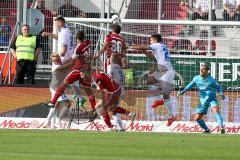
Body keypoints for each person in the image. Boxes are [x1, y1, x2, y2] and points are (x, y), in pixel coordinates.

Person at [129, 34, 175, 127]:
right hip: (163, 70)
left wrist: (129, 46)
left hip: (167, 72)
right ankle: (159, 100)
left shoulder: (157, 45)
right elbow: (151, 57)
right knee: (149, 81)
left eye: (151, 40)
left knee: (166, 95)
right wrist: (143, 50)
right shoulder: (162, 46)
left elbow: (144, 47)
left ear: (154, 40)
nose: (150, 42)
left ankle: (171, 117)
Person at [46, 31, 96, 112]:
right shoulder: (88, 43)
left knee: (64, 84)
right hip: (86, 70)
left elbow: (72, 62)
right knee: (88, 90)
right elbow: (73, 57)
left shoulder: (78, 49)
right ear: (84, 37)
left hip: (78, 70)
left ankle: (53, 102)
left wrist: (62, 68)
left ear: (76, 39)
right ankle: (94, 109)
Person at [42, 16, 74, 128]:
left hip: (59, 74)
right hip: (58, 79)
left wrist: (59, 58)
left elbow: (63, 49)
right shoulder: (66, 31)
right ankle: (56, 122)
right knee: (63, 102)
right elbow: (61, 41)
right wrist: (49, 34)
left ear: (61, 22)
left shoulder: (64, 33)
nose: (55, 25)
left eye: (56, 23)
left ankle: (50, 122)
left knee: (57, 102)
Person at [178, 64, 225, 134]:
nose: (201, 70)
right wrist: (182, 91)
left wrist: (221, 93)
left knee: (216, 111)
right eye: (200, 69)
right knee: (197, 118)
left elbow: (219, 87)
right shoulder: (196, 78)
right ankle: (207, 130)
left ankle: (221, 128)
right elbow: (189, 86)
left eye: (203, 69)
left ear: (207, 71)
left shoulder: (211, 80)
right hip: (203, 101)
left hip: (212, 99)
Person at [95, 24, 127, 98]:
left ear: (112, 30)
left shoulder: (109, 36)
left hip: (110, 60)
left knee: (109, 78)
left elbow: (105, 46)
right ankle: (116, 95)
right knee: (117, 81)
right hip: (118, 61)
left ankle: (108, 96)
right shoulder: (122, 39)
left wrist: (98, 54)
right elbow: (125, 51)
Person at [36, 0, 58, 64]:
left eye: (42, 2)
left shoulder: (48, 12)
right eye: (39, 1)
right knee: (35, 50)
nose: (41, 3)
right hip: (35, 35)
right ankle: (33, 64)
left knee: (46, 50)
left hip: (44, 34)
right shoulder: (33, 11)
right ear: (37, 2)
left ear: (44, 3)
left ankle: (44, 64)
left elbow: (52, 23)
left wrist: (49, 33)